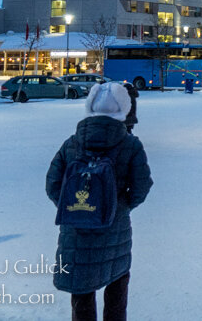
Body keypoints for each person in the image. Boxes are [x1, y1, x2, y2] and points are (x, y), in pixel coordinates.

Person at [46, 82, 153, 321]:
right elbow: (142, 185)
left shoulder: (72, 143)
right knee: (117, 289)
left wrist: (74, 207)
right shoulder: (130, 144)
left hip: (76, 231)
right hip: (115, 230)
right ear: (124, 109)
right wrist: (120, 207)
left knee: (81, 292)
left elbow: (53, 183)